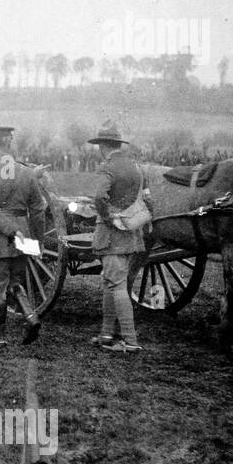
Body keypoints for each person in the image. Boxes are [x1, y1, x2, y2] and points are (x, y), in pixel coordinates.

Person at [0, 125, 49, 348]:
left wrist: (8, 229)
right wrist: (38, 241)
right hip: (23, 237)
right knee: (15, 281)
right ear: (9, 143)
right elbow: (38, 210)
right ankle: (31, 318)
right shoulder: (26, 172)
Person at [87, 120, 151, 353]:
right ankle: (106, 333)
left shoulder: (107, 167)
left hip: (112, 235)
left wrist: (109, 217)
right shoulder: (136, 167)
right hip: (132, 236)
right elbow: (148, 200)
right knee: (110, 282)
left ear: (103, 146)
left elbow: (99, 198)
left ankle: (130, 341)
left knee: (117, 285)